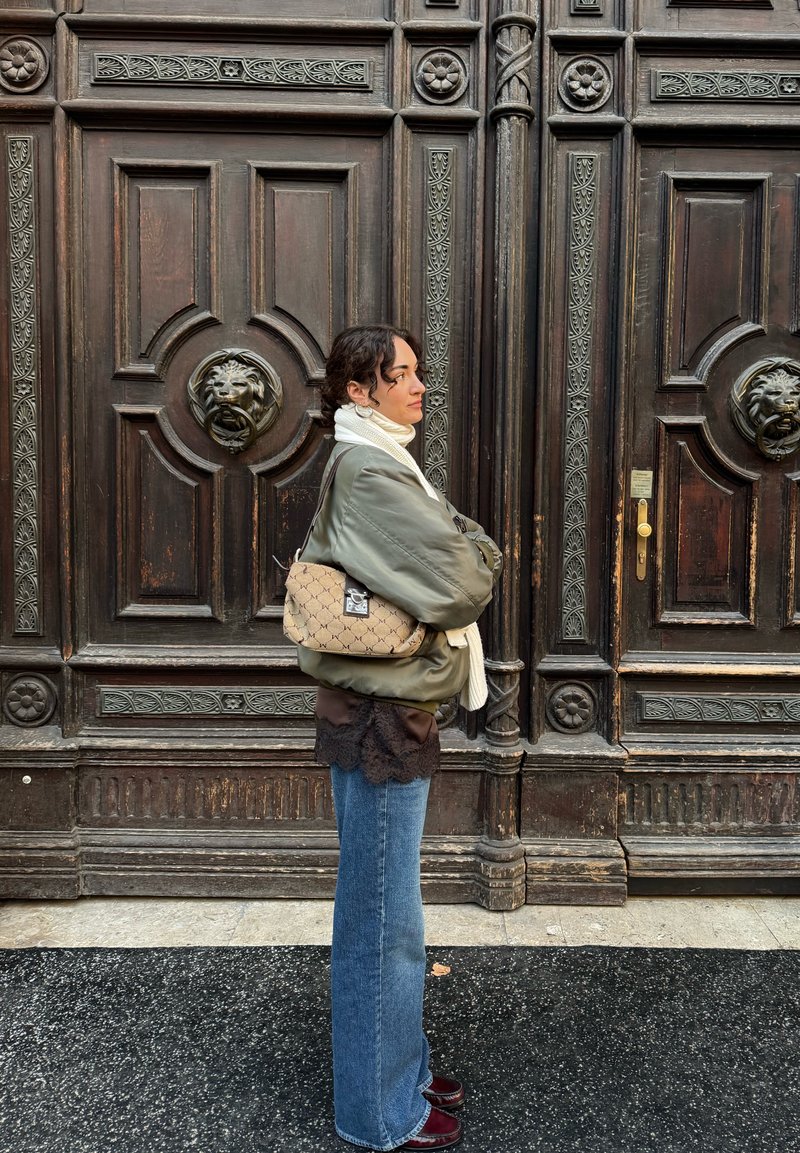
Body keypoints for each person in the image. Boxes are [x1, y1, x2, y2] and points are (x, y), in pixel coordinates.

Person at [295, 324, 502, 1152]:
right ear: (358, 389)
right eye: (402, 374)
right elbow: (463, 579)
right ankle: (379, 1114)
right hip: (378, 721)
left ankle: (401, 1068)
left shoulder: (383, 456)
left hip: (388, 713)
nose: (420, 387)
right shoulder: (373, 469)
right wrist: (476, 551)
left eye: (419, 372)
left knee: (393, 915)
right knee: (383, 922)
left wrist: (464, 548)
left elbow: (452, 558)